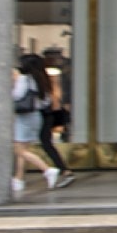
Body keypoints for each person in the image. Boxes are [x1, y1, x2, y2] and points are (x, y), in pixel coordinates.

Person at [10, 55, 59, 196]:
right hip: (36, 116)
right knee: (24, 149)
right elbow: (45, 101)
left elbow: (17, 96)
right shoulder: (41, 79)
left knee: (20, 151)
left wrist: (14, 81)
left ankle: (47, 170)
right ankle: (18, 179)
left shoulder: (25, 79)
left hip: (24, 116)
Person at [33, 58, 75, 188]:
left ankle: (61, 169)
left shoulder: (43, 79)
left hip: (43, 114)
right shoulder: (45, 78)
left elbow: (56, 99)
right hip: (47, 114)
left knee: (41, 144)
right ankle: (62, 169)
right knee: (46, 144)